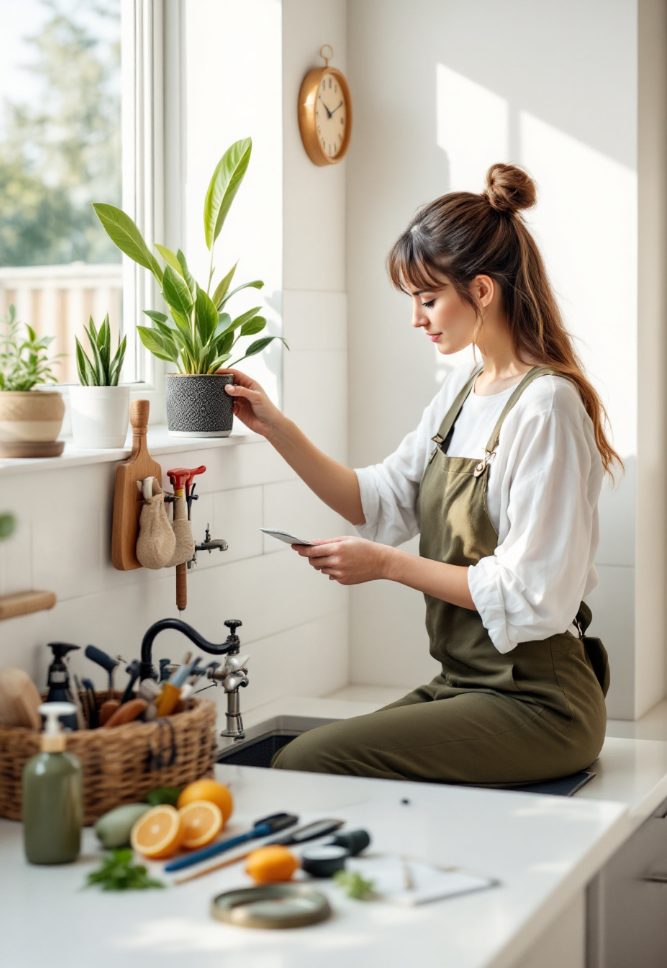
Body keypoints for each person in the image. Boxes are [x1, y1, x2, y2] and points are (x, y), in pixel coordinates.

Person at [223, 163, 617, 785]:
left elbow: (531, 596)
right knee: (301, 764)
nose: (417, 318)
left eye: (428, 298)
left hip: (540, 702)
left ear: (482, 291)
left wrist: (383, 565)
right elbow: (375, 500)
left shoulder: (548, 406)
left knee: (303, 763)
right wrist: (274, 426)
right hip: (465, 685)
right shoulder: (465, 392)